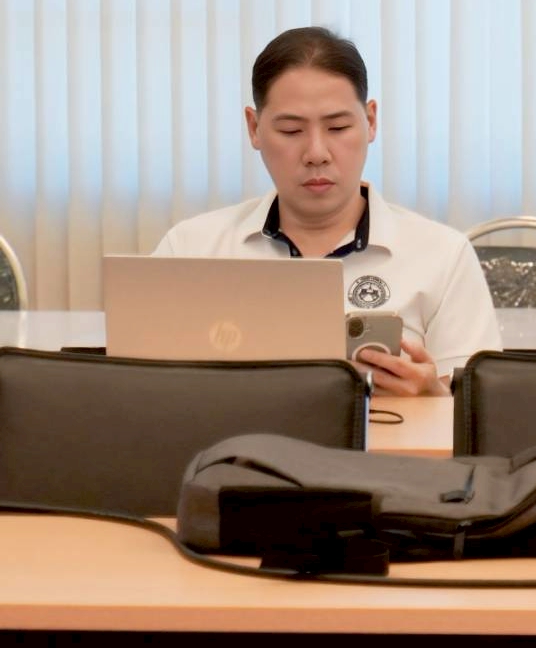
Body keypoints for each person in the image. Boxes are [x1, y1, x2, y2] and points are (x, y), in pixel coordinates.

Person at [153, 26, 501, 395]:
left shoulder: (443, 255)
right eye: (291, 131)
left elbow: (478, 416)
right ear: (254, 128)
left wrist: (434, 398)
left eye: (338, 127)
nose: (316, 153)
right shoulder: (190, 249)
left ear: (370, 121)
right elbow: (137, 390)